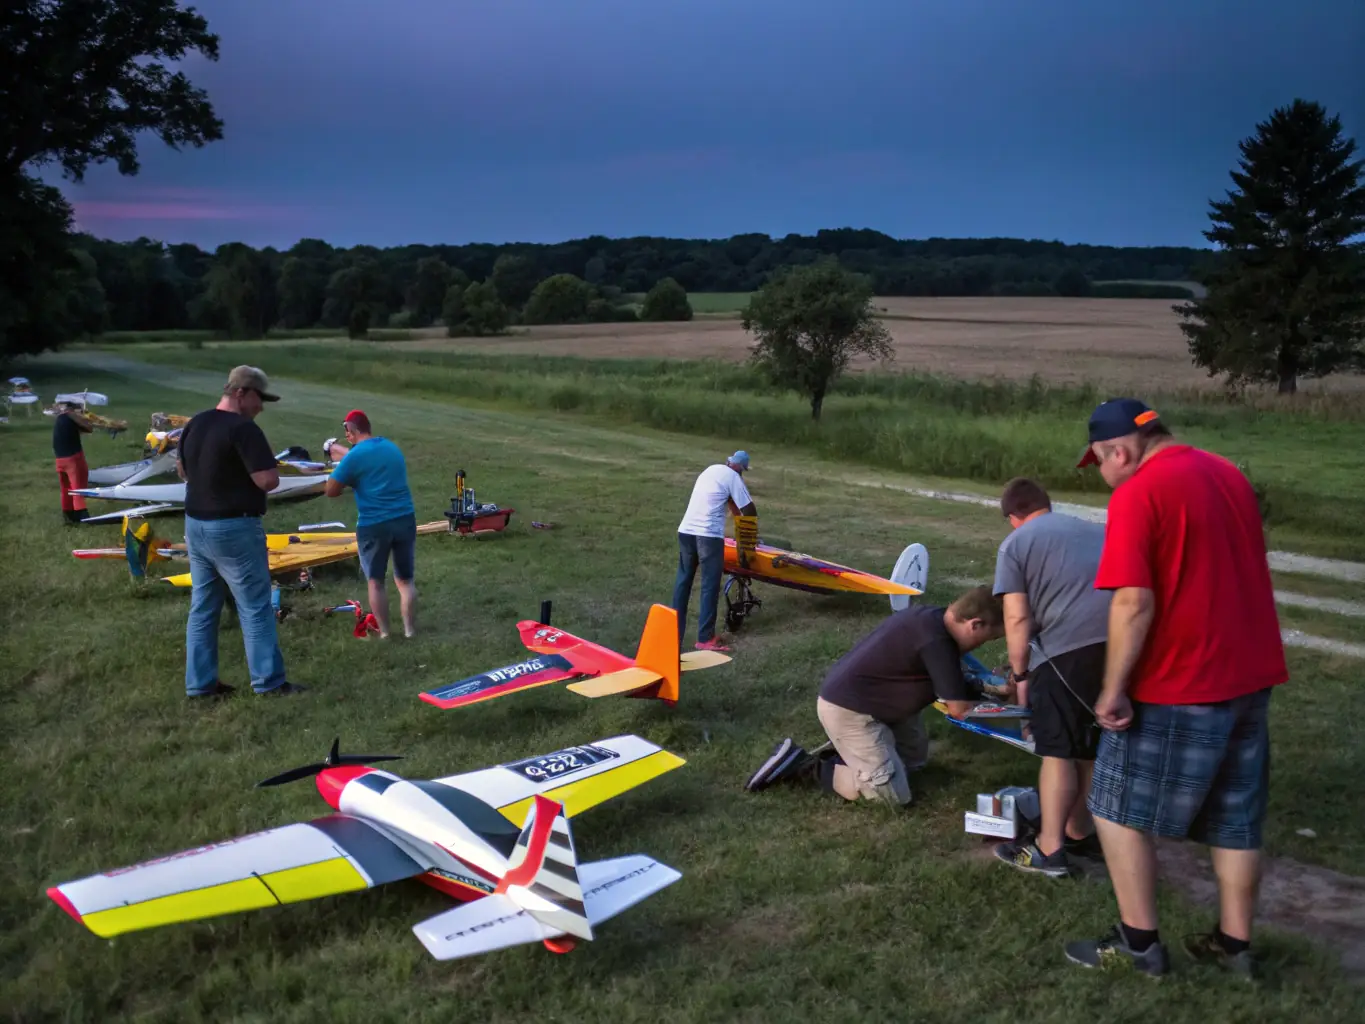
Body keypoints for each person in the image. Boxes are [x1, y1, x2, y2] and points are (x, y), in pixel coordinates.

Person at [1063, 398, 1288, 979]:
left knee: (1111, 807)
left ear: (1120, 450)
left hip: (1182, 679)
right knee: (1236, 818)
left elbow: (1133, 602)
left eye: (1102, 463)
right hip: (1250, 675)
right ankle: (1234, 949)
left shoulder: (1138, 492)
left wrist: (1113, 689)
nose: (1105, 475)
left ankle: (1139, 946)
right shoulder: (1227, 473)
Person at [745, 586, 1005, 806]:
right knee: (890, 794)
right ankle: (806, 766)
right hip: (851, 711)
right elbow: (958, 708)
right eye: (987, 638)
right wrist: (1008, 712)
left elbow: (954, 680)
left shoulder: (933, 621)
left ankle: (848, 757)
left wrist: (991, 688)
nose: (982, 645)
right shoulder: (936, 643)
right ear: (975, 624)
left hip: (880, 706)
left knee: (913, 764)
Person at [989, 477, 1111, 877]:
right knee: (1088, 746)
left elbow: (1017, 616)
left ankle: (1049, 849)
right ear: (1047, 504)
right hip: (1121, 648)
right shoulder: (1098, 529)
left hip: (1065, 653)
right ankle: (1080, 832)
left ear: (1013, 517)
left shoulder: (1016, 544)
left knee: (1056, 750)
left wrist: (1020, 672)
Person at [178, 366, 305, 699]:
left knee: (204, 606)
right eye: (259, 398)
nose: (261, 406)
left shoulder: (196, 422)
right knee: (255, 606)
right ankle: (269, 683)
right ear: (241, 393)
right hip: (234, 526)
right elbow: (269, 481)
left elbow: (183, 471)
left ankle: (200, 685)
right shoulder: (243, 429)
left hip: (195, 524)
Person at [324, 409, 418, 638]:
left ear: (351, 432)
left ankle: (385, 633)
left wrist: (344, 472)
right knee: (405, 580)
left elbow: (331, 491)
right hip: (405, 518)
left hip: (374, 525)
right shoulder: (391, 448)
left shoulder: (354, 456)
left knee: (376, 581)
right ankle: (410, 631)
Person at [672, 451, 756, 652]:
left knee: (683, 583)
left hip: (685, 532)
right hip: (707, 537)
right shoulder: (733, 477)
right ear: (739, 467)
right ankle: (705, 638)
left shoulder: (711, 470)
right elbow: (749, 510)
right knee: (710, 585)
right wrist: (749, 539)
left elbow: (730, 504)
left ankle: (672, 635)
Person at [52, 400, 94, 524]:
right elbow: (89, 427)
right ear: (73, 409)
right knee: (78, 488)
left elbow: (82, 430)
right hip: (73, 459)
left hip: (60, 459)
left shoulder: (61, 419)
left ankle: (68, 516)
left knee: (65, 489)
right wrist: (84, 416)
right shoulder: (71, 415)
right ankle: (82, 516)